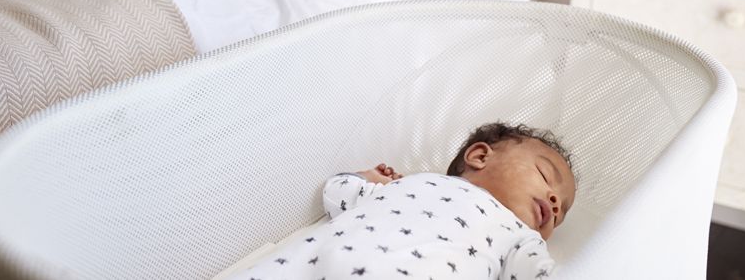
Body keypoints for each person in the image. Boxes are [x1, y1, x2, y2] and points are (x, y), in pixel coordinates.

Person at [229, 123, 577, 279]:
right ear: (479, 156)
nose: (554, 201)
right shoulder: (415, 183)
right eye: (546, 176)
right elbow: (337, 194)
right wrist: (365, 179)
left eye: (559, 212)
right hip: (313, 265)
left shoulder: (519, 235)